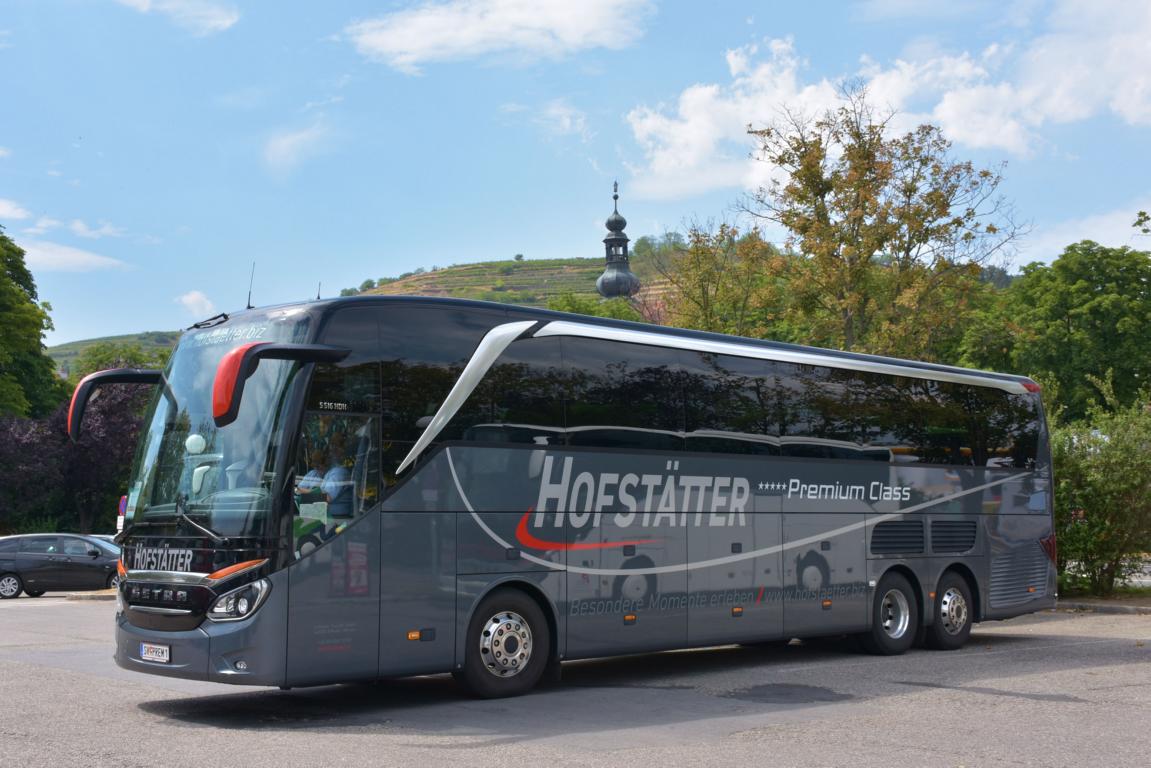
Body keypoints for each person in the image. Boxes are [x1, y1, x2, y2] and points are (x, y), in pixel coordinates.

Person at [322, 441, 354, 519]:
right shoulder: (332, 471)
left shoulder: (339, 472)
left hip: (337, 519)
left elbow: (326, 497)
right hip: (331, 517)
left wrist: (303, 499)